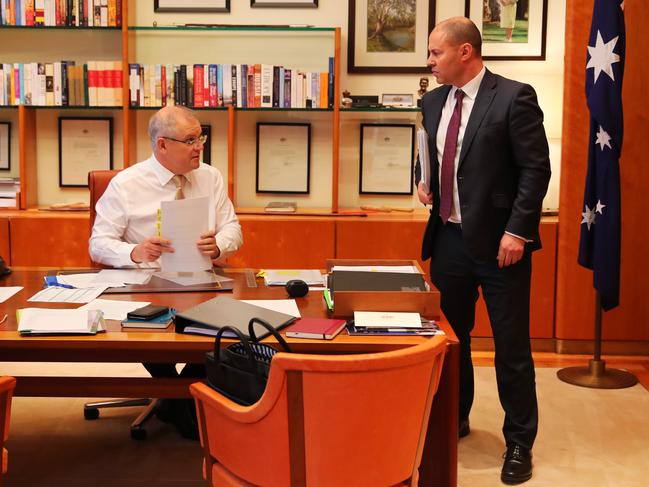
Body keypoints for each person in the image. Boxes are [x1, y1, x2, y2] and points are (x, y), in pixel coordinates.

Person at [415, 17, 550, 484]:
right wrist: (422, 180)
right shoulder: (432, 101)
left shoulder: (514, 97)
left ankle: (519, 442)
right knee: (454, 340)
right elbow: (432, 154)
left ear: (465, 52)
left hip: (501, 246)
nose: (430, 61)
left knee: (511, 346)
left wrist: (517, 231)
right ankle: (456, 415)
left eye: (436, 53)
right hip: (449, 239)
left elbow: (535, 171)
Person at [89, 105, 243, 438]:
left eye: (200, 137)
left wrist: (218, 244)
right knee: (148, 329)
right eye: (190, 140)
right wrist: (134, 251)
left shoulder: (210, 176)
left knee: (226, 331)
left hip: (201, 280)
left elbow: (233, 228)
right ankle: (181, 399)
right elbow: (98, 244)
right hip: (145, 284)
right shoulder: (126, 184)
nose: (199, 146)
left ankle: (175, 395)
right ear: (162, 145)